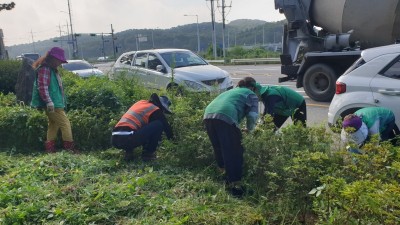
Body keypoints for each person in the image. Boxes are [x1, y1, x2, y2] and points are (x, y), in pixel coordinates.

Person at [203, 77, 259, 197]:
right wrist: (250, 130)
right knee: (234, 151)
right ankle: (235, 186)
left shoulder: (230, 91)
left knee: (219, 148)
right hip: (226, 117)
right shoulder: (250, 94)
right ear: (253, 87)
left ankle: (224, 177)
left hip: (208, 115)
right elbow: (253, 116)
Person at [31, 47, 78, 153]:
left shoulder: (51, 69)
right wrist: (48, 101)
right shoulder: (45, 68)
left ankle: (50, 149)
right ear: (52, 58)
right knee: (65, 124)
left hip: (55, 102)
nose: (59, 63)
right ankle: (70, 149)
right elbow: (42, 86)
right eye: (58, 60)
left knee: (54, 124)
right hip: (52, 103)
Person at [112, 93, 173, 161]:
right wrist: (175, 143)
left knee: (134, 128)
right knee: (159, 124)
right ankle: (148, 154)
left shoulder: (141, 103)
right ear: (161, 106)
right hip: (128, 138)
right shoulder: (155, 109)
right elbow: (167, 128)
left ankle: (129, 154)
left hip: (115, 138)